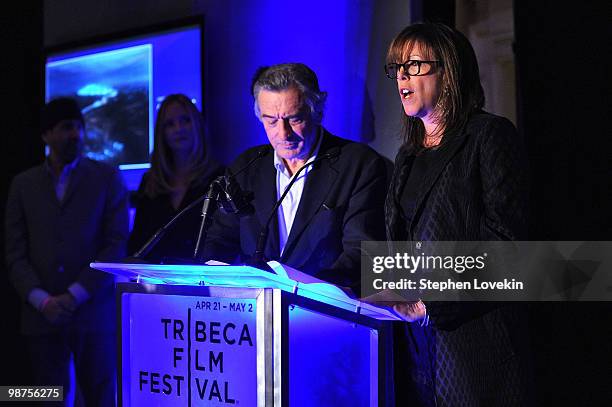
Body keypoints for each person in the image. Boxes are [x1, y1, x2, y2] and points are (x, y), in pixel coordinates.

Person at [383, 23, 531, 406]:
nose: (401, 75)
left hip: (476, 352)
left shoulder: (489, 136)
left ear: (448, 71)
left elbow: (508, 248)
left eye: (413, 65)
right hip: (416, 353)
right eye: (397, 67)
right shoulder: (407, 156)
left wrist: (431, 304)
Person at [204, 63, 387, 292]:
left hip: (325, 313)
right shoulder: (245, 168)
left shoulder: (360, 165)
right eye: (271, 121)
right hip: (253, 313)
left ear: (317, 112)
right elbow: (219, 243)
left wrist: (305, 293)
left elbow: (362, 254)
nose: (283, 134)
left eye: (294, 119)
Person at [5, 97, 129, 406]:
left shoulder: (107, 177)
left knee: (101, 396)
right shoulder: (23, 184)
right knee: (45, 397)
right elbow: (14, 252)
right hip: (40, 317)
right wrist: (42, 300)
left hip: (94, 314)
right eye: (65, 128)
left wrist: (75, 294)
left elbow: (115, 245)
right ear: (46, 135)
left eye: (78, 127)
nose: (74, 134)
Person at [128, 94, 224, 262]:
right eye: (170, 124)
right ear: (161, 133)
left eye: (185, 120)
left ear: (197, 124)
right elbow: (138, 243)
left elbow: (224, 243)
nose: (179, 128)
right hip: (154, 284)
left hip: (201, 282)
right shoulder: (150, 181)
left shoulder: (219, 178)